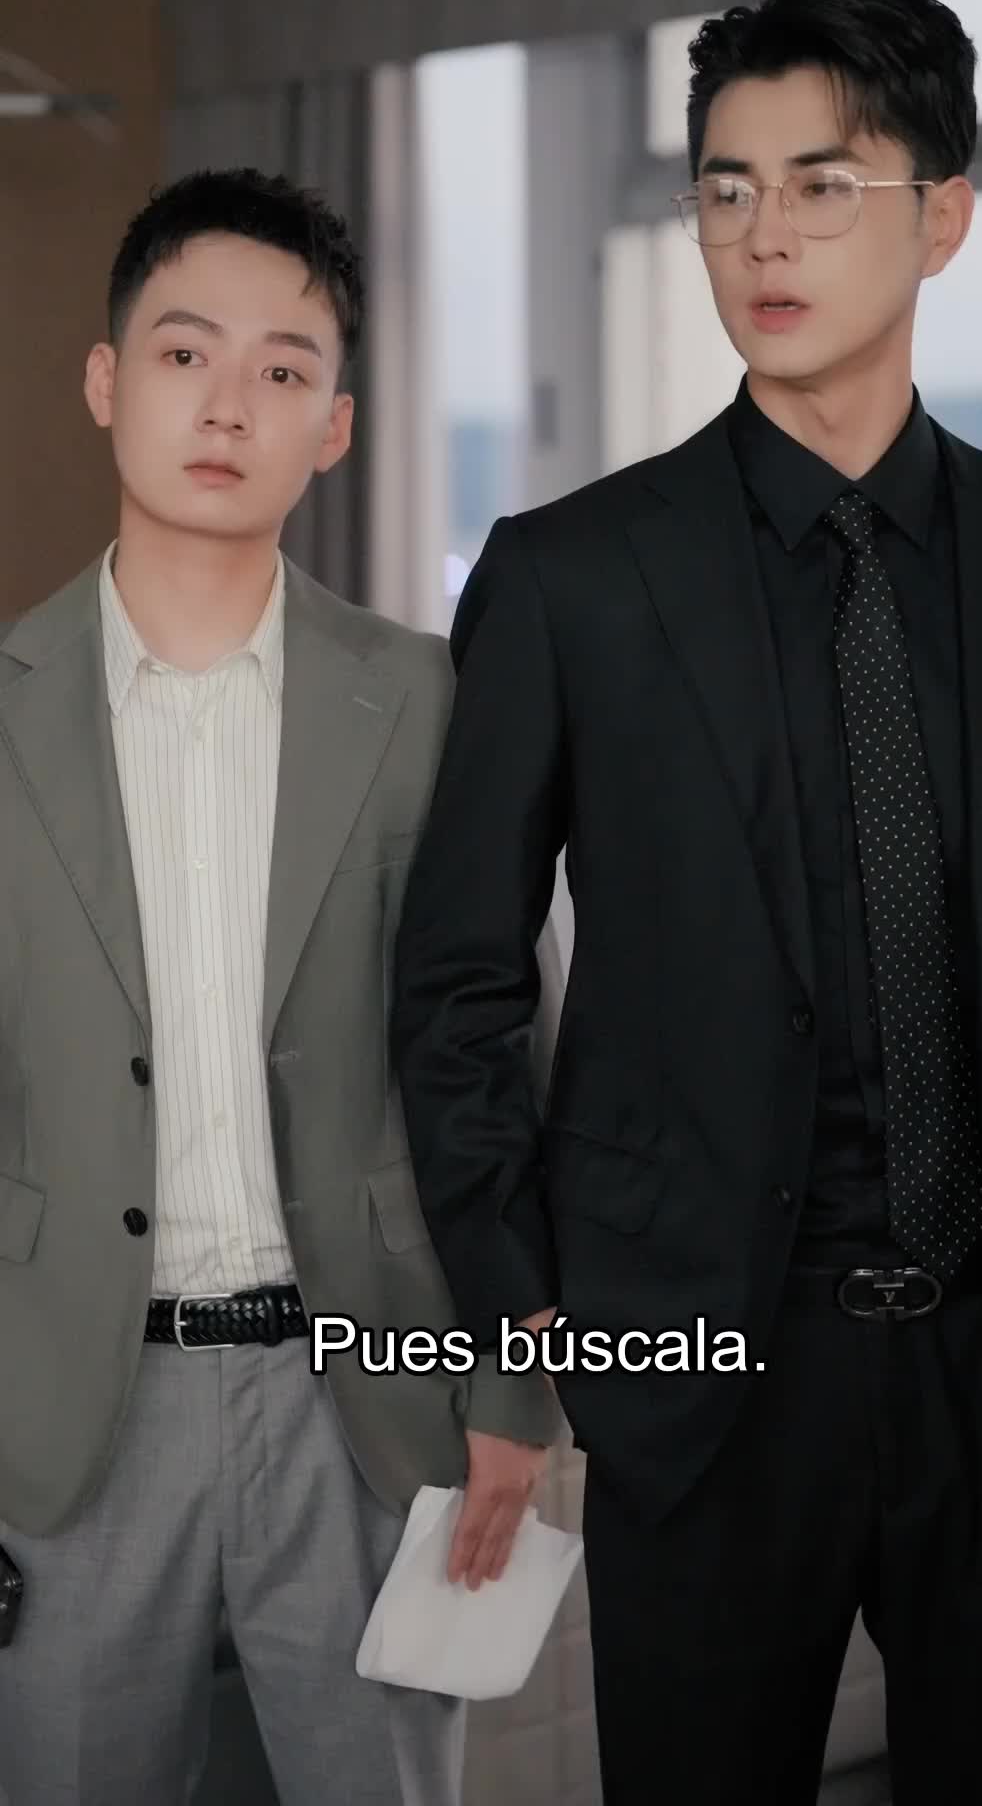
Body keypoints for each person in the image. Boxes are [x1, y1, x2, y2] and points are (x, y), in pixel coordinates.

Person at [390, 0, 982, 1805]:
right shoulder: (570, 578)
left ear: (943, 216)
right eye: (725, 186)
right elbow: (457, 974)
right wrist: (522, 1295)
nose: (763, 233)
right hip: (707, 1368)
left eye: (823, 184)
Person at [0, 167, 559, 1806]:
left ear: (336, 427)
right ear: (105, 382)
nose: (228, 405)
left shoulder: (431, 702)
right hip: (63, 1417)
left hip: (370, 1398)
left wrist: (515, 1392)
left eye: (284, 369)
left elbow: (507, 1064)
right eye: (184, 355)